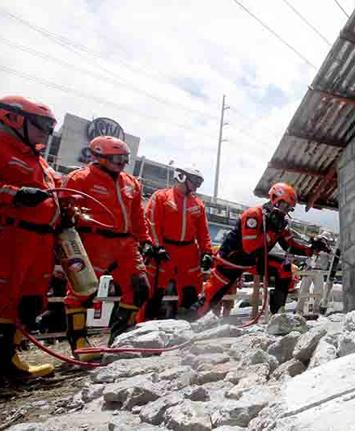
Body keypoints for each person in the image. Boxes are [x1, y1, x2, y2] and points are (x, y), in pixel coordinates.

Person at [62, 136, 152, 359]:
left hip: (125, 243)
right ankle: (80, 344)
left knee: (140, 289)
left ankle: (119, 338)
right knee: (82, 292)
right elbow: (63, 211)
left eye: (124, 158)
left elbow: (138, 217)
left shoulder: (131, 182)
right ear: (99, 157)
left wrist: (146, 240)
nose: (122, 163)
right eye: (116, 159)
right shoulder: (79, 178)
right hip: (92, 241)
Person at [197, 182, 330, 316]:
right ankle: (191, 319)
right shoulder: (254, 215)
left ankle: (278, 314)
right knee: (211, 297)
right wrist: (272, 231)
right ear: (274, 200)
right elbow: (250, 248)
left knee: (284, 268)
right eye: (285, 206)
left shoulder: (280, 223)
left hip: (253, 261)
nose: (286, 211)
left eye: (289, 208)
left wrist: (312, 249)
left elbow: (290, 245)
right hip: (231, 261)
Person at [0, 95, 59, 378]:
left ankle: (8, 360)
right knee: (3, 297)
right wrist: (16, 194)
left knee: (28, 301)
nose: (47, 133)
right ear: (14, 118)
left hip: (38, 241)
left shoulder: (38, 161)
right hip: (10, 235)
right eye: (42, 126)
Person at [143, 167, 213, 320]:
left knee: (191, 293)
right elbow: (152, 223)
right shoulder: (161, 197)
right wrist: (157, 246)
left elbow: (203, 232)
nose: (196, 186)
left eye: (199, 183)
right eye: (194, 181)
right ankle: (143, 325)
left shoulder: (198, 204)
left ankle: (187, 326)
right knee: (154, 292)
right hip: (165, 251)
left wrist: (207, 252)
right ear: (181, 177)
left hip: (189, 252)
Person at [294, 231, 333, 315]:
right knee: (304, 290)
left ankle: (316, 311)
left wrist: (327, 250)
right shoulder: (314, 245)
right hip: (309, 269)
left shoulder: (328, 249)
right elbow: (308, 253)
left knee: (319, 291)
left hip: (319, 271)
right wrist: (314, 248)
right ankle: (299, 310)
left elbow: (332, 258)